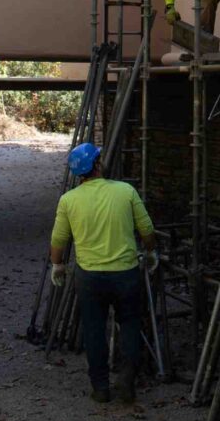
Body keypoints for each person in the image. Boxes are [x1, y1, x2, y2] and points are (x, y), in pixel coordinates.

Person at [50, 142, 157, 405]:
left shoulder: (68, 200)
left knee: (94, 329)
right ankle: (126, 380)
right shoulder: (125, 191)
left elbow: (59, 240)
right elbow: (146, 229)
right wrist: (150, 251)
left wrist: (58, 265)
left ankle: (100, 387)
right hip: (125, 274)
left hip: (89, 278)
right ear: (97, 165)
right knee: (130, 324)